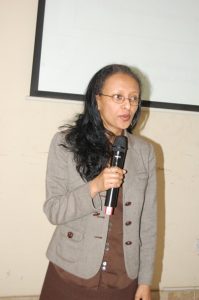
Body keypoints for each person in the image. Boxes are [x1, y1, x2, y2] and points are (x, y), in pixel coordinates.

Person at [39, 64, 157, 300]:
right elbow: (54, 211)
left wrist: (145, 281)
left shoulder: (145, 152)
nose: (128, 106)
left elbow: (149, 223)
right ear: (97, 100)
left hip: (123, 278)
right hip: (70, 273)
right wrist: (94, 187)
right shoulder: (66, 144)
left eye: (134, 98)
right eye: (118, 97)